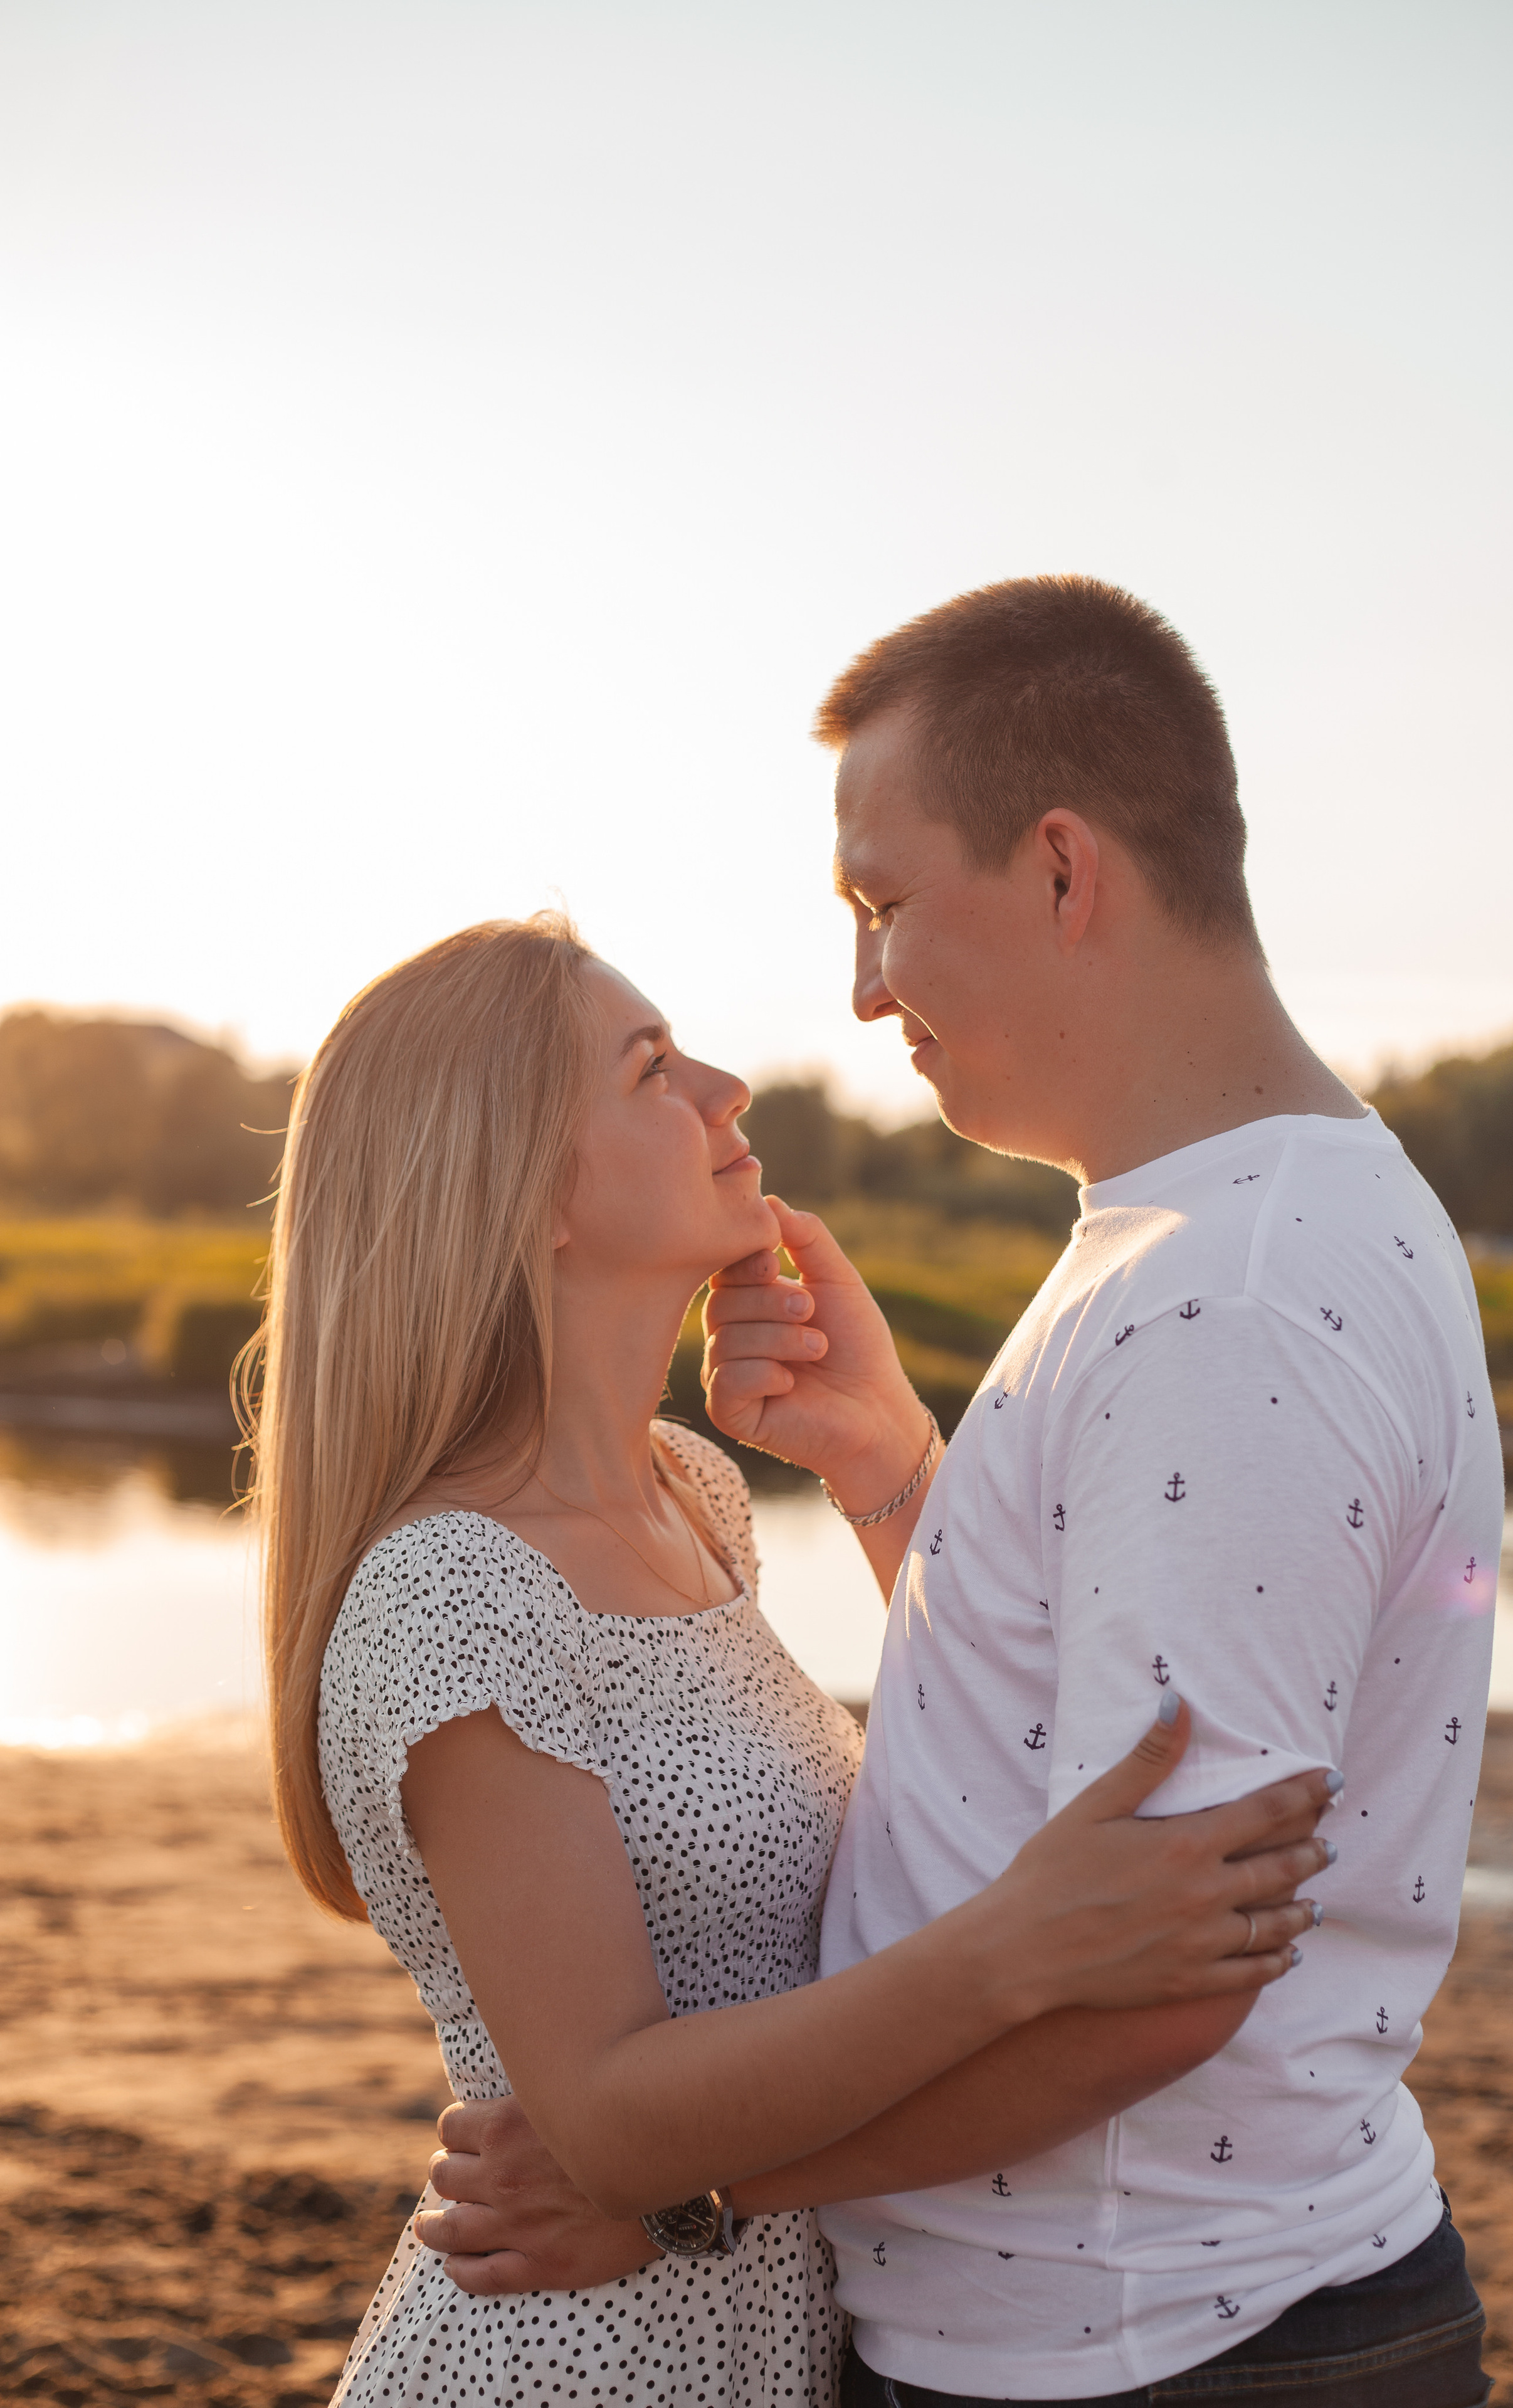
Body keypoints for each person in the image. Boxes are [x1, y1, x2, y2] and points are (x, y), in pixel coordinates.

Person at [418, 579, 1501, 2405]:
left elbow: (1166, 1971)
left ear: (1066, 869)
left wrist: (687, 2192)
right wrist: (900, 1475)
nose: (860, 988)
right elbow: (1079, 1773)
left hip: (1168, 2353)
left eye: (885, 904)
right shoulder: (1191, 1233)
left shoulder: (1224, 1307)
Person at [248, 911, 1336, 2408]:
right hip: (572, 2369)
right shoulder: (450, 1594)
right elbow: (615, 2124)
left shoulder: (688, 1495)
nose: (725, 1087)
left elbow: (1005, 1734)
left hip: (774, 2349)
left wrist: (883, 1461)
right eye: (649, 1070)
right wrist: (1016, 1945)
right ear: (524, 1189)